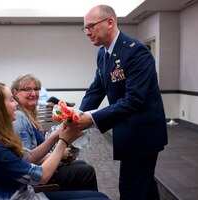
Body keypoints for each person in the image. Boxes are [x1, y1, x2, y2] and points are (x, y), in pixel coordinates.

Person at [72, 5, 168, 200]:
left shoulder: (136, 52)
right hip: (126, 129)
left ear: (109, 22)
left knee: (131, 189)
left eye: (91, 26)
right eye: (85, 28)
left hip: (143, 133)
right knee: (145, 185)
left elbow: (135, 100)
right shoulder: (103, 53)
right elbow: (97, 87)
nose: (87, 32)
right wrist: (77, 115)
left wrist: (91, 118)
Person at [0, 83, 109, 200]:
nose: (16, 104)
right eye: (11, 100)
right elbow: (42, 177)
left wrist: (57, 135)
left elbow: (29, 158)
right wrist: (63, 141)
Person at [11, 74, 98, 191]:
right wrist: (59, 153)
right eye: (27, 89)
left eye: (36, 89)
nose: (34, 93)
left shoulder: (28, 115)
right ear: (15, 93)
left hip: (44, 166)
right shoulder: (20, 118)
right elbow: (27, 160)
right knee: (86, 172)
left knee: (82, 165)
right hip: (37, 176)